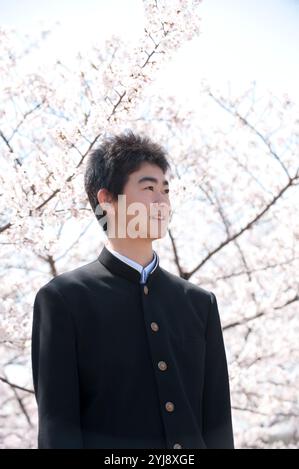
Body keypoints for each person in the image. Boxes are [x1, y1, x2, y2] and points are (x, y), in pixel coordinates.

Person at [31, 130, 234, 449]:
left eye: (165, 190)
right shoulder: (64, 300)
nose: (161, 201)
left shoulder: (199, 303)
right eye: (149, 188)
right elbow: (58, 431)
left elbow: (218, 426)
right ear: (107, 200)